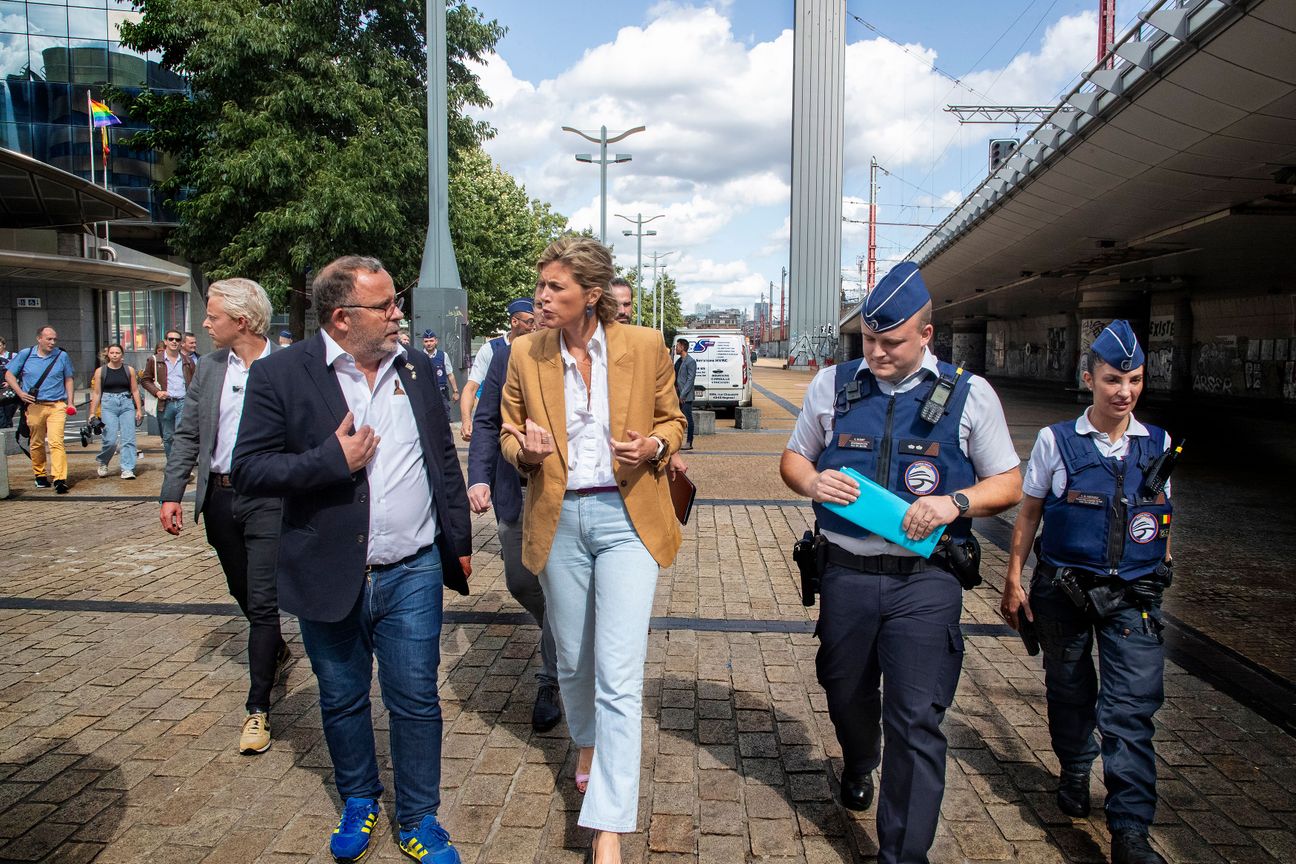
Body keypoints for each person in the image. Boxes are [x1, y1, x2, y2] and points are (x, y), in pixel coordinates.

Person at [232, 255, 472, 864]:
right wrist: (330, 462)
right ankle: (360, 798)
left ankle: (419, 816)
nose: (398, 315)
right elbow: (250, 471)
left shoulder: (415, 367)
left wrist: (460, 542)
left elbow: (443, 460)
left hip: (412, 567)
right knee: (341, 697)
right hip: (328, 570)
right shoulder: (281, 374)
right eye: (385, 306)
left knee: (415, 697)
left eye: (396, 302)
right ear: (342, 318)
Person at [780, 261, 1021, 864]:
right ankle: (860, 757)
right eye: (869, 339)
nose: (877, 352)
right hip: (846, 574)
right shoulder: (833, 385)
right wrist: (812, 483)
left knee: (916, 719)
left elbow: (1010, 481)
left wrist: (953, 503)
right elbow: (792, 459)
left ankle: (902, 855)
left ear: (926, 336)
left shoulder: (969, 396)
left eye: (891, 342)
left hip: (927, 581)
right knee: (844, 691)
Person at [500, 235, 685, 864]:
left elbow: (673, 420)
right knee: (575, 659)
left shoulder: (643, 345)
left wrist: (654, 448)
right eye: (541, 285)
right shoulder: (525, 352)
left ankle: (607, 822)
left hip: (627, 517)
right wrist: (523, 449)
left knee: (619, 670)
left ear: (592, 294)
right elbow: (504, 431)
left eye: (555, 287)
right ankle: (586, 740)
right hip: (559, 518)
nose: (541, 296)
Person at [1000, 321, 1173, 864]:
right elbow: (1028, 514)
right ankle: (1075, 769)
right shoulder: (1057, 440)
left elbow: (1162, 513)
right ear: (1089, 378)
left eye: (1135, 380)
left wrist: (1163, 560)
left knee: (1130, 711)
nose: (1125, 392)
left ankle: (1129, 830)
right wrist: (1013, 578)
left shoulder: (1159, 444)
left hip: (1132, 599)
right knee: (1070, 690)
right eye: (1113, 379)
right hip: (1065, 592)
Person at [158, 278, 291, 755]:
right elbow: (189, 436)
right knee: (241, 589)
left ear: (241, 319)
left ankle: (258, 708)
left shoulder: (287, 366)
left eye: (212, 316)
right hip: (218, 496)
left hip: (268, 499)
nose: (205, 324)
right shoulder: (210, 368)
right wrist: (171, 493)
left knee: (260, 599)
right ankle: (273, 645)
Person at [466, 300, 562, 733]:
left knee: (560, 586)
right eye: (535, 316)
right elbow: (486, 422)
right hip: (512, 493)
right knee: (521, 583)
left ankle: (552, 679)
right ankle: (571, 633)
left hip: (560, 498)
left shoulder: (576, 362)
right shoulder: (505, 358)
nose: (540, 320)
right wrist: (479, 478)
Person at [4, 326, 76, 494]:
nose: (52, 342)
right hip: (34, 405)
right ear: (39, 339)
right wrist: (20, 393)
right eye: (49, 339)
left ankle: (59, 478)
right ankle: (40, 474)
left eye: (54, 339)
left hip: (57, 405)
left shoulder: (61, 356)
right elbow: (9, 374)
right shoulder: (26, 354)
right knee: (36, 442)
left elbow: (69, 378)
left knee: (56, 441)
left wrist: (70, 402)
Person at [458, 299, 537, 441]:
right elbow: (471, 388)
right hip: (494, 428)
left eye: (535, 322)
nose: (533, 327)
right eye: (530, 322)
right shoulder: (491, 349)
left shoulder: (537, 348)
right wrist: (466, 421)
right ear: (514, 322)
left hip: (527, 428)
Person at [89, 344, 143, 479]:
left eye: (117, 352)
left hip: (126, 403)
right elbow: (96, 393)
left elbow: (135, 390)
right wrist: (92, 413)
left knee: (128, 438)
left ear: (122, 355)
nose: (114, 355)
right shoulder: (100, 371)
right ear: (108, 355)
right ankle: (103, 461)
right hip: (108, 404)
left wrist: (139, 409)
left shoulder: (129, 370)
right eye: (112, 352)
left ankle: (127, 468)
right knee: (110, 439)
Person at [141, 328, 195, 459]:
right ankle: (172, 465)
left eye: (177, 339)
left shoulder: (187, 361)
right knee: (168, 437)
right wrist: (157, 392)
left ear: (181, 343)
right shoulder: (154, 360)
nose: (174, 342)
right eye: (171, 339)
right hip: (165, 403)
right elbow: (145, 380)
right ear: (165, 341)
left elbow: (195, 381)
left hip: (183, 401)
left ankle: (180, 466)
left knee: (181, 436)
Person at [421, 330, 460, 418]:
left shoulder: (443, 355)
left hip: (441, 393)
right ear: (423, 342)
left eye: (431, 341)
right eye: (426, 341)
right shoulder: (419, 356)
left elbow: (450, 374)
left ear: (436, 341)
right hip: (425, 394)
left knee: (445, 418)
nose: (429, 343)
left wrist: (455, 391)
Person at [673, 338, 696, 451]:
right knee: (678, 418)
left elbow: (690, 380)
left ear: (682, 347)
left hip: (685, 396)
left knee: (688, 419)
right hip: (677, 395)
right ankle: (677, 440)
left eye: (677, 346)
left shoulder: (690, 361)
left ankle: (689, 442)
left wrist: (682, 395)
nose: (676, 348)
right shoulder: (678, 361)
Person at [0, 336, 16, 429]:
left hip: (9, 389)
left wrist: (10, 382)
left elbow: (20, 371)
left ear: (4, 345)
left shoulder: (13, 356)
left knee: (8, 411)